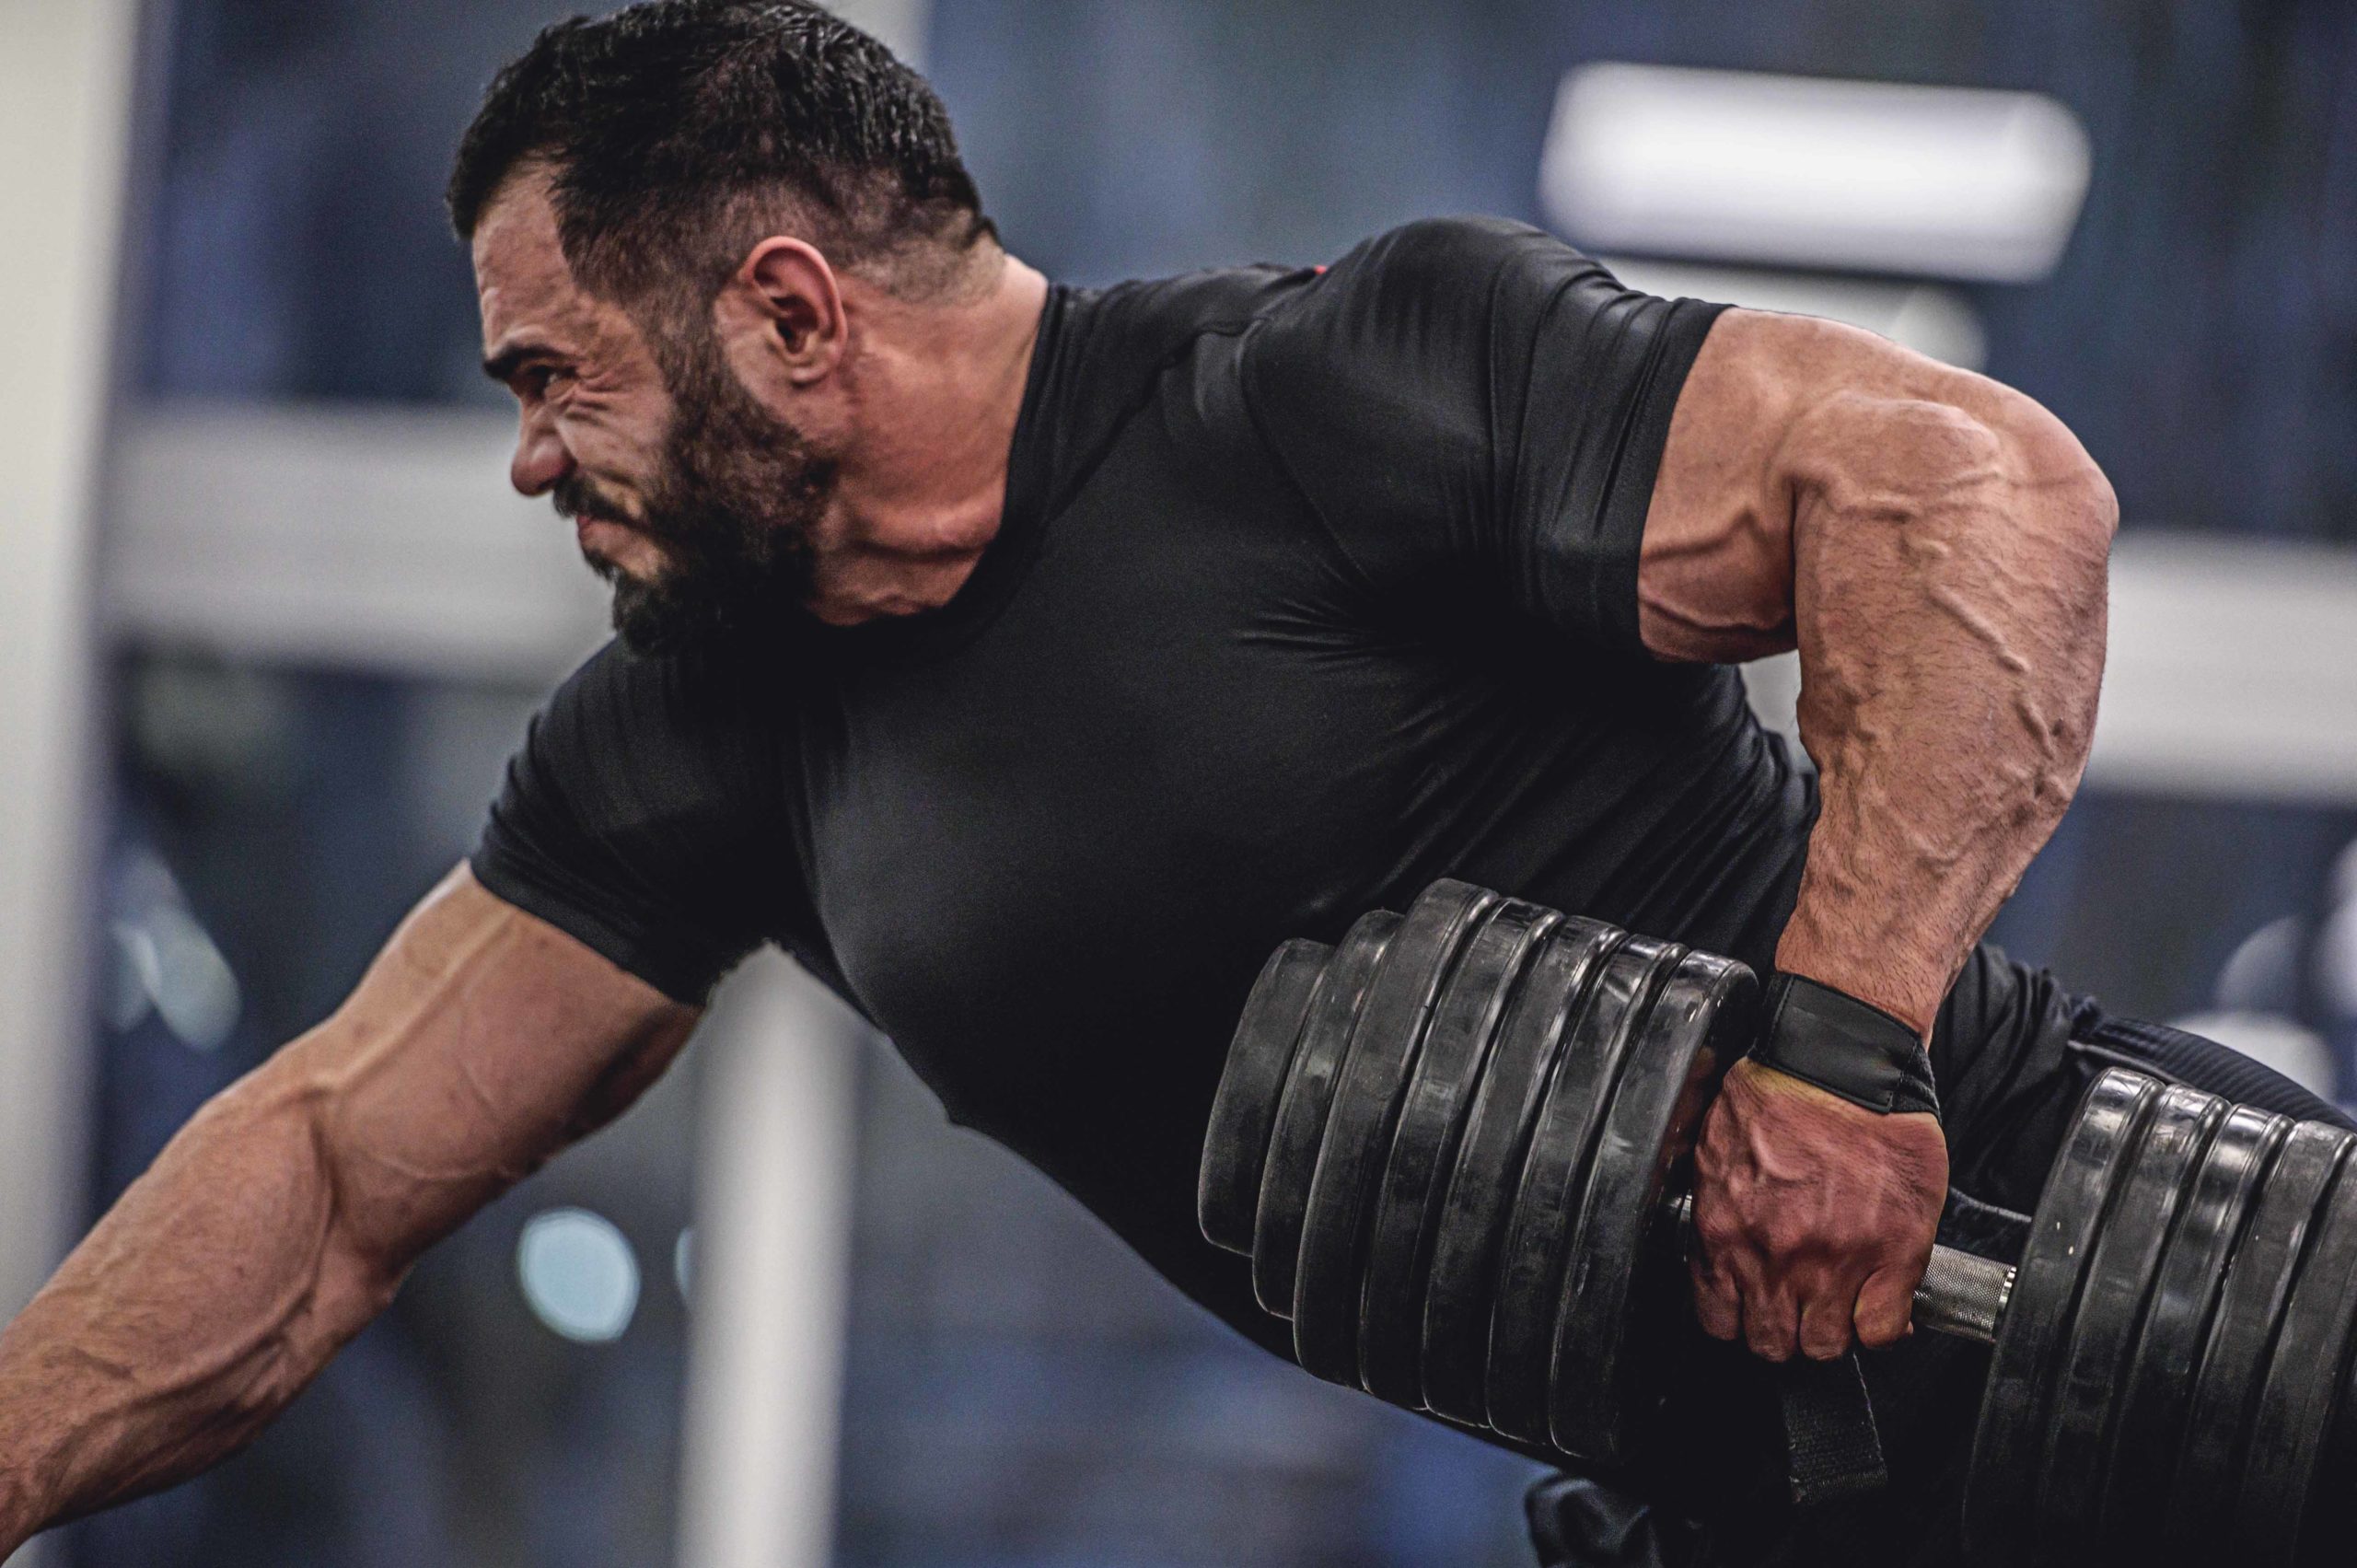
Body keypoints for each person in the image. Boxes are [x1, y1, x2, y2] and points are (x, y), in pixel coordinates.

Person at [0, 4, 2340, 1562]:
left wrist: (1839, 1056)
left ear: (794, 317)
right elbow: (322, 1169)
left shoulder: (1321, 393)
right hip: (1722, 1502)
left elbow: (1968, 496)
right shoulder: (709, 728)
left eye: (558, 377)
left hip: (2141, 1315)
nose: (528, 456)